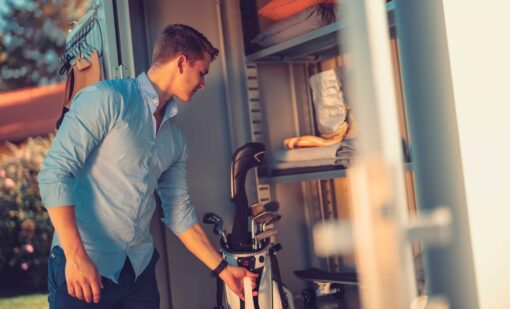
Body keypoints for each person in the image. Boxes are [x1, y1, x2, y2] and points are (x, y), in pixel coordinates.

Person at [38, 24, 257, 308]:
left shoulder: (175, 138)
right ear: (181, 62)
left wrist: (222, 269)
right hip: (83, 268)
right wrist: (76, 256)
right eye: (201, 72)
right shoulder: (108, 99)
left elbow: (178, 211)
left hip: (138, 273)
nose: (202, 83)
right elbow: (54, 174)